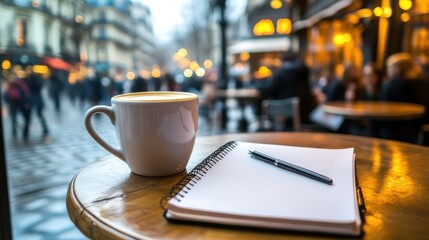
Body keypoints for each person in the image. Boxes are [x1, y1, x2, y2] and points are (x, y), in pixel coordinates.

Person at [256, 52, 317, 125]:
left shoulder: (281, 74)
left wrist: (258, 84)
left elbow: (267, 89)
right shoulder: (303, 72)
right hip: (307, 112)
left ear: (282, 61)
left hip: (286, 116)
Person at [380, 52, 429, 143]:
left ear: (398, 68)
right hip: (417, 130)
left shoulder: (392, 84)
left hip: (394, 132)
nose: (388, 71)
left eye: (389, 67)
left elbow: (383, 107)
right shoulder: (424, 81)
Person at [4, 73, 32, 139]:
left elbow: (25, 94)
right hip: (15, 104)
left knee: (15, 119)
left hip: (18, 104)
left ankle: (16, 133)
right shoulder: (14, 85)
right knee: (14, 119)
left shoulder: (18, 84)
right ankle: (16, 133)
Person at [24, 70, 49, 137]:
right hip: (38, 100)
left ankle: (26, 132)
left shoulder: (29, 82)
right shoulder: (38, 81)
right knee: (40, 115)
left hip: (31, 100)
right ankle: (45, 128)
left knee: (29, 117)